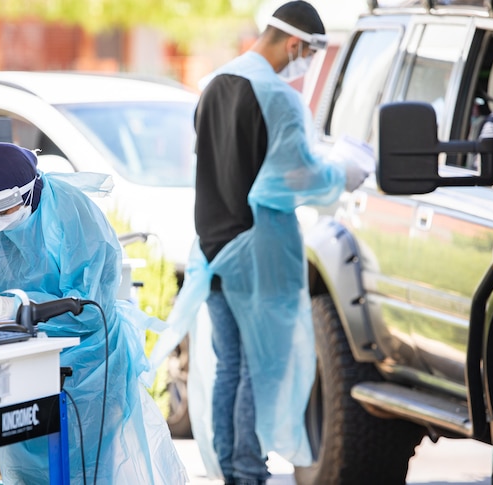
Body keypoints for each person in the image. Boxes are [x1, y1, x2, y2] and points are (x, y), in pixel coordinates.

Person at [149, 2, 369, 484]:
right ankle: (248, 470)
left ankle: (232, 468)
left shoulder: (213, 86)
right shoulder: (277, 97)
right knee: (257, 367)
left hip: (212, 249)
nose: (306, 63)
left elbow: (214, 165)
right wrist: (343, 174)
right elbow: (295, 178)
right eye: (309, 53)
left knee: (230, 365)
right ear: (296, 44)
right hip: (257, 251)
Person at [0, 142, 187, 484]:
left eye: (0, 211)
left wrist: (16, 304)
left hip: (86, 365)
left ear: (26, 195)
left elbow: (88, 307)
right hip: (22, 357)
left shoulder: (72, 215)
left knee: (83, 471)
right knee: (25, 469)